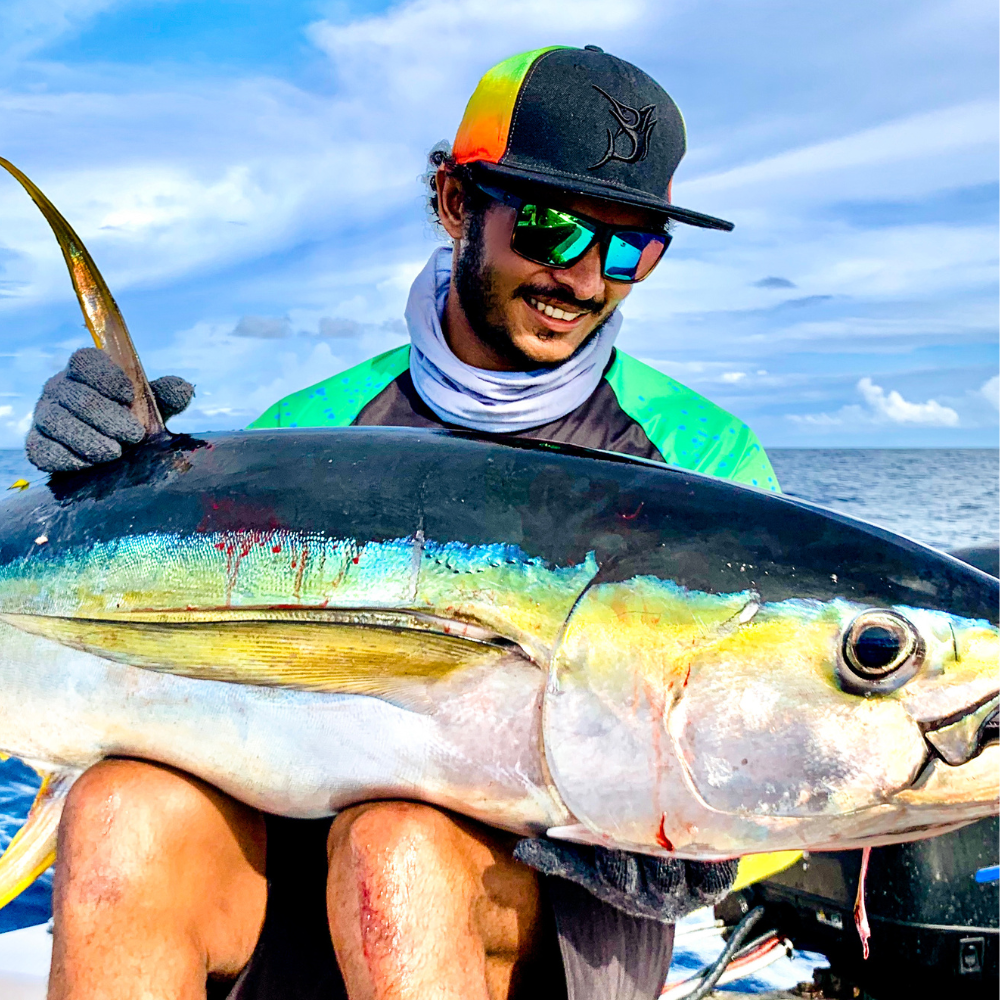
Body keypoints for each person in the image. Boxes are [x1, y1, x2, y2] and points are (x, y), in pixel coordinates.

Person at [27, 46, 783, 1000]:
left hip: (558, 910)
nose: (587, 279)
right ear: (456, 201)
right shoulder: (307, 428)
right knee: (118, 815)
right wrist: (93, 495)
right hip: (302, 855)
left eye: (631, 248)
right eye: (551, 229)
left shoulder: (706, 463)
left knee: (399, 848)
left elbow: (754, 778)